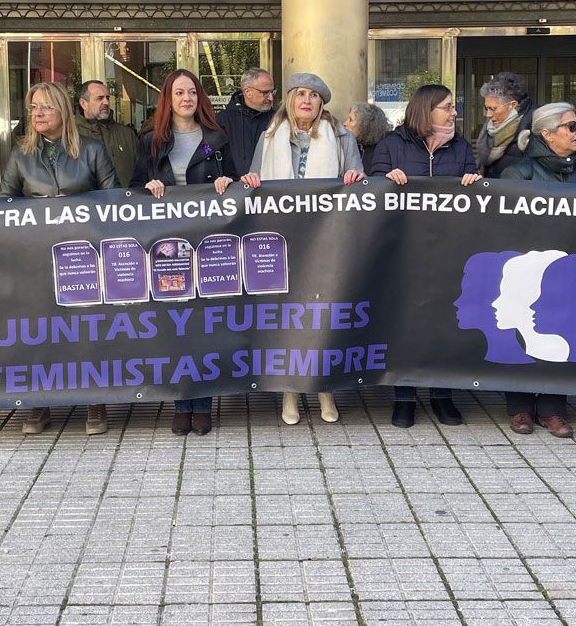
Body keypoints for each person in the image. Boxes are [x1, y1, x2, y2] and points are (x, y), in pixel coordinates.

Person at [0, 81, 119, 436]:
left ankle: (95, 401)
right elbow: (3, 202)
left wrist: (78, 206)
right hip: (36, 257)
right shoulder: (20, 154)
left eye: (46, 107)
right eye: (33, 106)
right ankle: (39, 403)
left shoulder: (92, 150)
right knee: (39, 330)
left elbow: (116, 202)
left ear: (63, 111)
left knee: (86, 329)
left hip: (85, 254)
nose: (37, 113)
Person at [241, 72, 363, 426]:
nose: (306, 101)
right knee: (288, 313)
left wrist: (355, 179)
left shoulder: (342, 137)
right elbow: (254, 180)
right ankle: (290, 390)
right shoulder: (269, 136)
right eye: (300, 94)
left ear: (322, 102)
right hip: (283, 238)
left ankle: (324, 387)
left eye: (313, 95)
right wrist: (250, 181)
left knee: (321, 310)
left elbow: (359, 179)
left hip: (327, 237)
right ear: (290, 100)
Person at [369, 84, 482, 428]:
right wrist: (385, 178)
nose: (453, 113)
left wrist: (476, 180)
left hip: (449, 247)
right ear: (426, 109)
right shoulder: (391, 145)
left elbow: (478, 190)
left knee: (445, 319)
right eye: (447, 107)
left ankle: (443, 395)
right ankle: (404, 397)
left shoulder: (461, 146)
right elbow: (372, 190)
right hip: (404, 248)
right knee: (406, 321)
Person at [132, 69, 236, 435]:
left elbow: (237, 184)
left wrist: (228, 183)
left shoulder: (218, 139)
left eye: (192, 91)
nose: (187, 98)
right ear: (168, 99)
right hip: (168, 244)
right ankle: (181, 402)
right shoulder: (150, 142)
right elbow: (131, 190)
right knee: (175, 324)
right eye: (179, 92)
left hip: (207, 242)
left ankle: (203, 402)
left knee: (204, 323)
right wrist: (148, 185)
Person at [500, 102, 576, 438]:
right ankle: (519, 407)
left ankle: (553, 408)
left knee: (563, 329)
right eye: (571, 126)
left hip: (568, 268)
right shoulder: (518, 172)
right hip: (528, 267)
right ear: (547, 133)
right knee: (523, 330)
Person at [76, 80, 140, 187]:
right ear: (83, 103)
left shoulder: (127, 135)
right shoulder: (70, 135)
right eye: (99, 98)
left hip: (125, 202)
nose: (106, 102)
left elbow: (142, 173)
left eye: (107, 98)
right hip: (86, 203)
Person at [216, 67, 276, 177]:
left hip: (270, 190)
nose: (271, 98)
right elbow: (207, 151)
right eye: (265, 93)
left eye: (272, 92)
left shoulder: (278, 120)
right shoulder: (222, 121)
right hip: (232, 191)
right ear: (248, 92)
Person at [474, 72, 535, 178]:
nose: (488, 115)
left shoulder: (536, 130)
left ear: (512, 105)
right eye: (486, 108)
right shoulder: (491, 127)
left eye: (493, 109)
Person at [343, 102, 392, 174]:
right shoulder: (350, 146)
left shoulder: (383, 152)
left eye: (351, 120)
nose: (344, 123)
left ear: (365, 125)